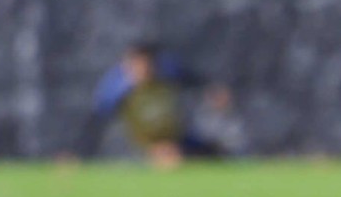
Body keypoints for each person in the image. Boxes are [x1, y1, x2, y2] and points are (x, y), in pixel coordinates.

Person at [74, 41, 232, 167]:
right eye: (137, 65)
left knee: (216, 155)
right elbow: (96, 121)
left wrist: (213, 91)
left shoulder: (168, 74)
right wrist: (78, 153)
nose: (143, 70)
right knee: (169, 162)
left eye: (147, 64)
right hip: (144, 148)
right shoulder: (117, 90)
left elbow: (193, 79)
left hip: (178, 139)